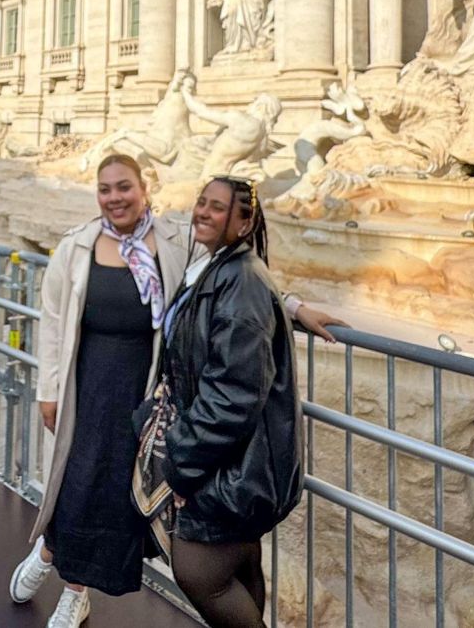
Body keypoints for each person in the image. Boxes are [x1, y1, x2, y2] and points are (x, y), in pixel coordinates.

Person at [11, 161, 348, 628]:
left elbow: (228, 271)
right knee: (76, 482)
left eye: (124, 187)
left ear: (144, 189)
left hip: (143, 392)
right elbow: (52, 323)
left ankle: (74, 590)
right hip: (87, 387)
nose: (115, 197)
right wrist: (48, 390)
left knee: (114, 495)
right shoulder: (77, 246)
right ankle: (50, 552)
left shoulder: (172, 240)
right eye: (105, 189)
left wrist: (291, 305)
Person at [162, 177, 306, 627]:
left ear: (244, 224)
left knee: (197, 571)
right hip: (232, 462)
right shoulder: (221, 268)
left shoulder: (240, 281)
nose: (203, 211)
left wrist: (182, 466)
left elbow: (233, 394)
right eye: (201, 201)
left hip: (230, 467)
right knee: (240, 565)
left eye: (218, 207)